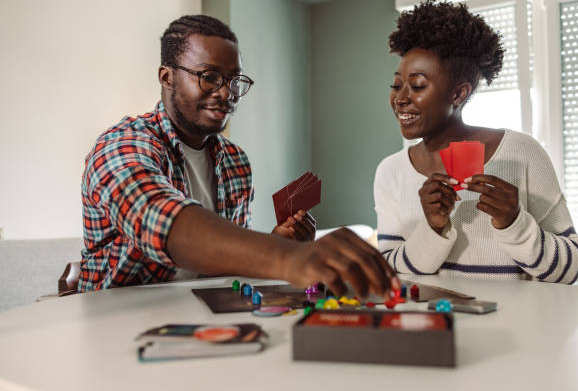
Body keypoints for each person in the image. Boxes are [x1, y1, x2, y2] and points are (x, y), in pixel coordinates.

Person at [80, 15, 398, 297]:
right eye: (209, 76)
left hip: (201, 311)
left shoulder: (235, 161)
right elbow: (163, 221)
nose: (226, 93)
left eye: (235, 80)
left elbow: (212, 267)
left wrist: (277, 241)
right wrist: (287, 257)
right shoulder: (121, 146)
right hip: (117, 320)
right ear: (167, 77)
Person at [374, 0, 578, 284]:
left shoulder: (521, 153)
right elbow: (389, 270)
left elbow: (570, 270)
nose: (400, 99)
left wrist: (514, 223)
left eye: (418, 85)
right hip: (440, 326)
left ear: (459, 94)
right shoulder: (391, 171)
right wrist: (433, 228)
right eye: (397, 85)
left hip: (520, 327)